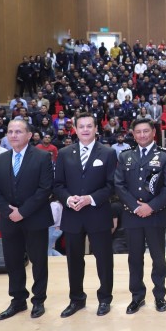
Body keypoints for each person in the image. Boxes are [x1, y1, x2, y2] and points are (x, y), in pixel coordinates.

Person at [0, 117, 54, 320]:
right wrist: (8, 212)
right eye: (10, 131)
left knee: (38, 262)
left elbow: (45, 189)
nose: (13, 135)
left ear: (29, 135)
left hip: (35, 218)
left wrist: (22, 212)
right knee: (13, 262)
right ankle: (18, 301)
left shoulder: (42, 157)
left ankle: (38, 300)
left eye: (18, 131)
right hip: (9, 220)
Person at [53, 112, 117, 318]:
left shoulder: (108, 153)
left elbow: (112, 185)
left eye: (89, 126)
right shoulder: (64, 153)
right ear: (75, 129)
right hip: (73, 215)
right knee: (73, 260)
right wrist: (67, 199)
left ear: (96, 128)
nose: (85, 130)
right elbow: (58, 185)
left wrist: (90, 198)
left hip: (98, 213)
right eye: (81, 126)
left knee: (104, 260)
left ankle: (105, 298)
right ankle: (76, 299)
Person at [114, 117, 166, 314]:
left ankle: (159, 295)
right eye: (138, 132)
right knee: (134, 259)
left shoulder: (165, 156)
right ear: (133, 135)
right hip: (132, 216)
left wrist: (150, 207)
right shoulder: (125, 156)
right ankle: (137, 296)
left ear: (153, 133)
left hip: (155, 216)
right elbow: (119, 185)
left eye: (146, 131)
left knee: (158, 259)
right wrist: (135, 207)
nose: (142, 135)